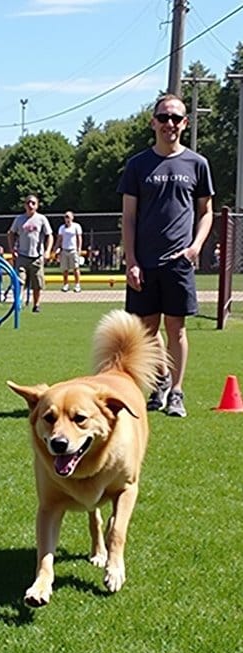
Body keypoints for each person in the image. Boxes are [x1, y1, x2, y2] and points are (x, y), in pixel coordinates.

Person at [117, 93, 214, 418]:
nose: (169, 123)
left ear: (185, 123)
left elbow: (206, 212)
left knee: (177, 329)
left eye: (176, 118)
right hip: (144, 263)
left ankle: (176, 392)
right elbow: (128, 218)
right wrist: (131, 261)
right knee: (146, 331)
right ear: (153, 122)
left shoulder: (197, 164)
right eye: (163, 117)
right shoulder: (137, 165)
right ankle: (159, 382)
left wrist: (195, 247)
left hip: (179, 263)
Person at [7, 194, 53, 312]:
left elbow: (49, 236)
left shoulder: (42, 219)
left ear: (37, 205)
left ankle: (36, 305)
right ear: (24, 205)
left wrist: (47, 251)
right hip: (22, 255)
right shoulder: (19, 219)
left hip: (36, 256)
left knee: (37, 283)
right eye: (28, 203)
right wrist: (12, 249)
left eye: (33, 203)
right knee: (19, 281)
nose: (30, 205)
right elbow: (11, 233)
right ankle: (18, 303)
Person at [55, 210, 83, 292]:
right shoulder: (62, 228)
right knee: (65, 269)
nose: (67, 219)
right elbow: (59, 239)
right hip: (64, 250)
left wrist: (79, 248)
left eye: (68, 217)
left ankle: (77, 285)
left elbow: (79, 238)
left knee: (76, 268)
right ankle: (65, 284)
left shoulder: (76, 226)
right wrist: (55, 248)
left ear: (72, 218)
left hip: (73, 250)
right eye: (65, 217)